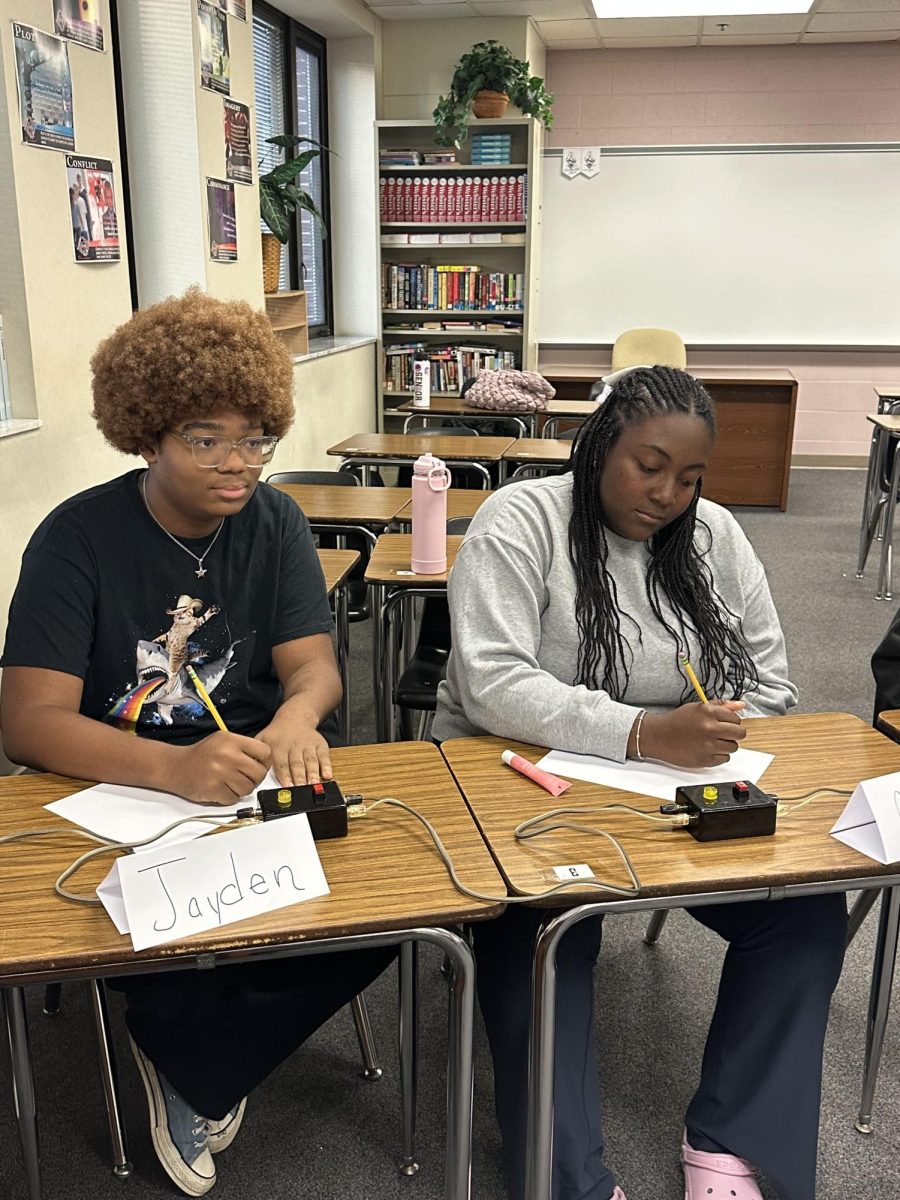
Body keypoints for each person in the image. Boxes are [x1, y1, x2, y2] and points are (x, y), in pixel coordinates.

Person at [0, 289, 393, 1196]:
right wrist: (172, 767)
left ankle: (189, 1060)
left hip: (244, 785)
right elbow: (28, 722)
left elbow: (316, 670)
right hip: (115, 795)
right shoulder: (77, 539)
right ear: (147, 437)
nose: (238, 463)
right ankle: (192, 1047)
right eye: (205, 438)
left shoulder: (279, 523)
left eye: (256, 437)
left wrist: (296, 720)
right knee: (157, 926)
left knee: (389, 915)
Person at [434, 366, 846, 1200]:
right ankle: (569, 1182)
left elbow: (771, 684)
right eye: (648, 466)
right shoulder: (524, 521)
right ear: (597, 448)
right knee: (545, 934)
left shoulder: (715, 536)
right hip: (519, 777)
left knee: (804, 912)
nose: (666, 495)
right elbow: (491, 682)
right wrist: (640, 732)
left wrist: (720, 731)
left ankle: (731, 1145)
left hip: (675, 791)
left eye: (689, 478)